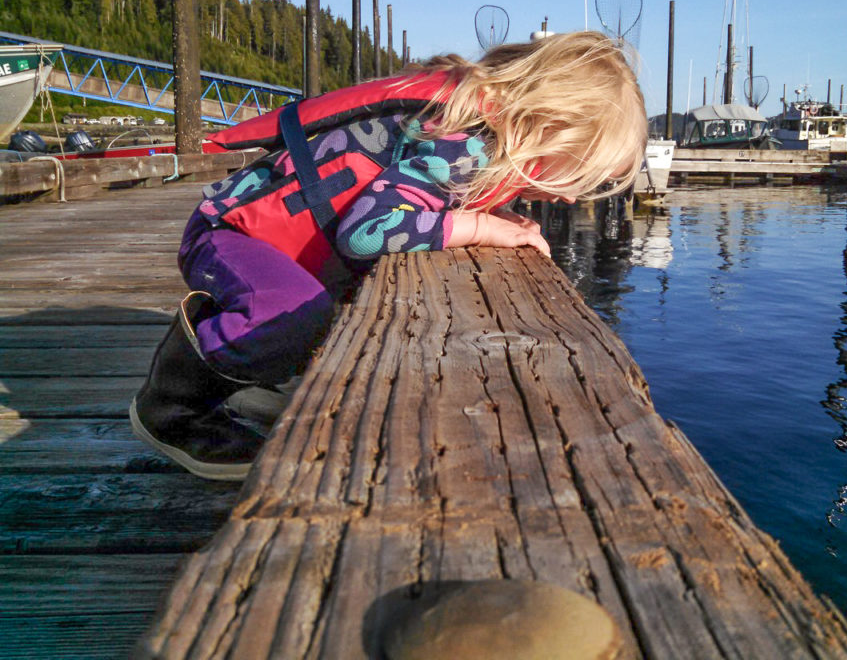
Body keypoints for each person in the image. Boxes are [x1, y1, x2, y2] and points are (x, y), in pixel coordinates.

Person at [130, 30, 647, 481]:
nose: (577, 196)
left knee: (307, 307)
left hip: (262, 239)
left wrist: (483, 219)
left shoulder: (476, 135)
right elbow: (367, 233)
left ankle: (250, 378)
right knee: (291, 308)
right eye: (582, 172)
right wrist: (482, 225)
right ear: (552, 125)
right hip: (230, 233)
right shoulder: (465, 146)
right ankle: (173, 407)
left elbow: (417, 203)